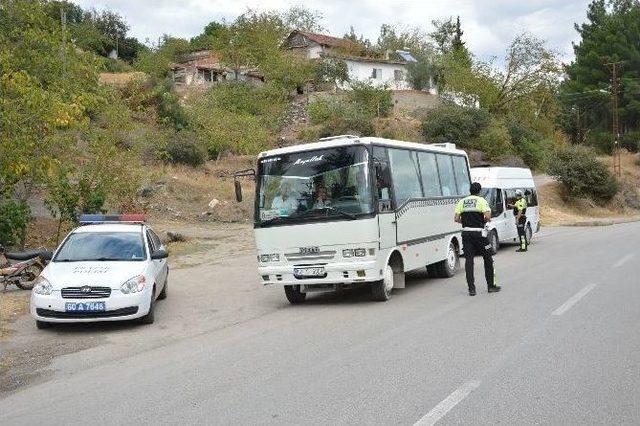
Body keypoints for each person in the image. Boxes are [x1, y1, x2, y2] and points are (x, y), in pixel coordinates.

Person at [454, 182, 501, 296]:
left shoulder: (462, 202)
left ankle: (472, 289)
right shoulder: (481, 201)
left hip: (466, 234)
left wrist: (465, 222)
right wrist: (484, 220)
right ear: (479, 191)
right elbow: (488, 216)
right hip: (480, 235)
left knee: (469, 261)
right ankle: (491, 286)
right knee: (488, 257)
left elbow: (456, 218)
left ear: (470, 190)